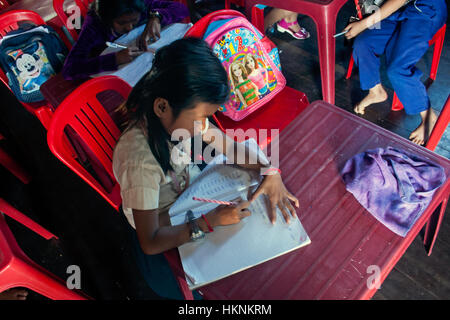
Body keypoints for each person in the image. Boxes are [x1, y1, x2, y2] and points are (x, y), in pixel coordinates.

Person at [112, 37, 299, 299]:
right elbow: (150, 240)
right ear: (162, 106)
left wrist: (270, 170)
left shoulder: (175, 119)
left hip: (187, 192)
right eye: (200, 117)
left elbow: (231, 149)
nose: (205, 125)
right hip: (162, 218)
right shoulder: (140, 162)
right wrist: (207, 222)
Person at [344, 0, 447, 145]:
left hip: (425, 10)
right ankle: (375, 91)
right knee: (363, 43)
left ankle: (428, 116)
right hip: (400, 10)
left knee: (397, 69)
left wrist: (363, 24)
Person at [62, 0, 188, 80]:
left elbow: (181, 8)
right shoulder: (94, 26)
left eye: (134, 21)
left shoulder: (139, 4)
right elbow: (69, 69)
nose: (129, 28)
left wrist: (157, 17)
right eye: (122, 23)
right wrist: (114, 59)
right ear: (108, 19)